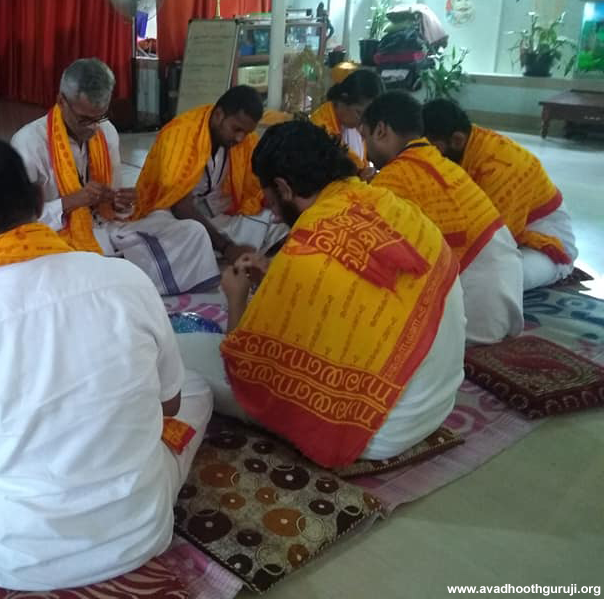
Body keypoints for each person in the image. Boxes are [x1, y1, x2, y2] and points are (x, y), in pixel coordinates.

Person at [0, 136, 213, 591]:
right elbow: (170, 406)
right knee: (195, 387)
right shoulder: (126, 280)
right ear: (39, 199)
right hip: (141, 532)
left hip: (17, 560)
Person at [182, 122, 465, 469]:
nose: (272, 212)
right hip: (437, 404)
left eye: (270, 200)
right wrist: (277, 278)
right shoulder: (386, 202)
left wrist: (236, 298)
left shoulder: (309, 242)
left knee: (180, 356)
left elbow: (245, 372)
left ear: (284, 187)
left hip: (376, 433)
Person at [11, 58, 217, 295]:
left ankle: (116, 282)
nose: (92, 128)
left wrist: (121, 203)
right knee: (49, 269)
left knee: (192, 232)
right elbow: (18, 223)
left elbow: (113, 205)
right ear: (61, 101)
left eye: (99, 117)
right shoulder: (29, 143)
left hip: (106, 229)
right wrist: (72, 201)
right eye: (84, 120)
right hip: (58, 238)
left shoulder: (106, 131)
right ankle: (121, 282)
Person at [360, 91, 524, 344]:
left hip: (474, 312)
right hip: (508, 297)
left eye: (364, 136)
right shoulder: (438, 161)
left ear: (381, 130)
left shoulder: (393, 178)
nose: (365, 149)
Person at [422, 99, 577, 290]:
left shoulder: (501, 166)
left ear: (457, 140)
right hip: (503, 239)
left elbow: (491, 240)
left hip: (543, 243)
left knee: (490, 281)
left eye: (434, 149)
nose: (429, 157)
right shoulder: (468, 147)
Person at [133, 85, 286, 263]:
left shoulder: (245, 139)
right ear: (219, 115)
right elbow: (179, 205)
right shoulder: (180, 133)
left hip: (215, 211)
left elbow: (256, 185)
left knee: (278, 221)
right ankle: (218, 251)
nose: (240, 138)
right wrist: (226, 247)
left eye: (246, 133)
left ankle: (224, 253)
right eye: (236, 129)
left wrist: (279, 205)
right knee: (192, 231)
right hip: (173, 215)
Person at [311, 69, 385, 172]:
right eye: (359, 113)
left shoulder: (352, 124)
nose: (362, 124)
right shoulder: (319, 129)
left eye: (367, 118)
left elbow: (361, 162)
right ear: (344, 98)